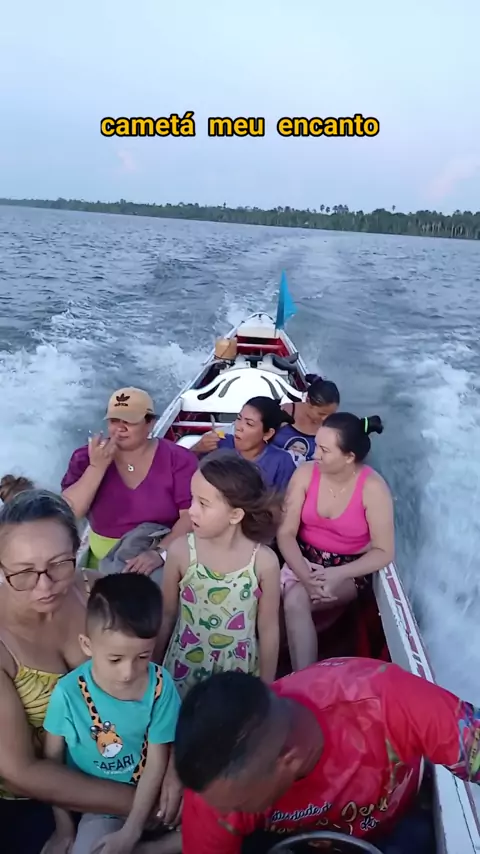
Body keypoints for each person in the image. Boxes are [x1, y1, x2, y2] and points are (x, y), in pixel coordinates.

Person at [0, 489, 181, 854]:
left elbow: (151, 684)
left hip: (134, 764)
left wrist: (172, 768)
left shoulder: (96, 592)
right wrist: (143, 807)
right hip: (42, 799)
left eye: (58, 564)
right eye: (24, 572)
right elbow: (20, 770)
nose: (44, 585)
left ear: (78, 547)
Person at [174, 660, 480, 854]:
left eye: (240, 805)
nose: (223, 813)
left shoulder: (390, 703)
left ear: (289, 759)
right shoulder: (214, 789)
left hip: (393, 828)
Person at [43, 573, 182, 854]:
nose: (128, 672)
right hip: (102, 806)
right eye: (115, 659)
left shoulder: (160, 686)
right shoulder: (68, 693)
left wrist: (131, 832)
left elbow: (157, 762)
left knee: (218, 821)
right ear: (87, 645)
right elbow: (52, 764)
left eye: (143, 656)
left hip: (154, 796)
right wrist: (64, 827)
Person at [158, 450, 282, 697]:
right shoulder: (181, 552)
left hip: (237, 674)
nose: (192, 511)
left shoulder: (263, 562)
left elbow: (268, 629)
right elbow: (166, 614)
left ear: (235, 515)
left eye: (203, 504)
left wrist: (267, 689)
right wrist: (152, 669)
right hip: (184, 668)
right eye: (192, 499)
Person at [277, 413, 394, 670]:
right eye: (317, 445)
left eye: (324, 450)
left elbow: (384, 551)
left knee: (296, 600)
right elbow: (285, 533)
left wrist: (337, 574)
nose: (315, 454)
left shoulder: (373, 489)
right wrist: (304, 574)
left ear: (349, 456)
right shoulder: (305, 474)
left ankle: (305, 681)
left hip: (348, 570)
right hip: (301, 558)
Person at [61, 387, 198, 575]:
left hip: (160, 551)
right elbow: (70, 513)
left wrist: (160, 553)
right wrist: (96, 467)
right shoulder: (84, 457)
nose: (120, 428)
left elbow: (191, 515)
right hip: (102, 559)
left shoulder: (179, 459)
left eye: (129, 421)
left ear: (150, 423)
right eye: (114, 420)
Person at [191, 397, 296, 491]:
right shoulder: (219, 443)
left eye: (249, 424)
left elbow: (285, 502)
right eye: (239, 418)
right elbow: (186, 469)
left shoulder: (281, 461)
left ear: (268, 434)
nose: (238, 427)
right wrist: (197, 448)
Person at [271, 375, 340, 465]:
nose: (325, 418)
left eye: (331, 414)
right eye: (321, 414)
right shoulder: (284, 412)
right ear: (307, 400)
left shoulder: (331, 427)